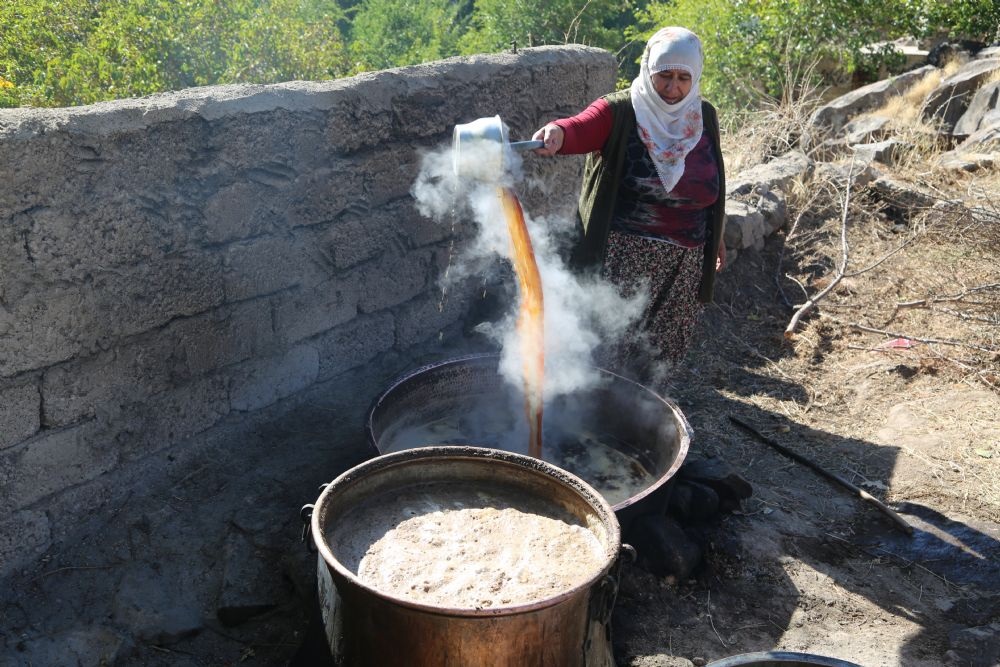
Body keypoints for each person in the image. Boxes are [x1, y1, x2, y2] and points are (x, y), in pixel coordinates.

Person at [532, 26, 726, 380]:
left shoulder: (703, 116)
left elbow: (710, 186)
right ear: (648, 69)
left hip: (686, 259)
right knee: (608, 347)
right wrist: (558, 132)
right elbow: (580, 128)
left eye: (684, 78)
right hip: (624, 256)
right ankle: (590, 419)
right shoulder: (621, 111)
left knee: (662, 350)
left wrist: (717, 238)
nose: (673, 88)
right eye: (664, 75)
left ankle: (643, 417)